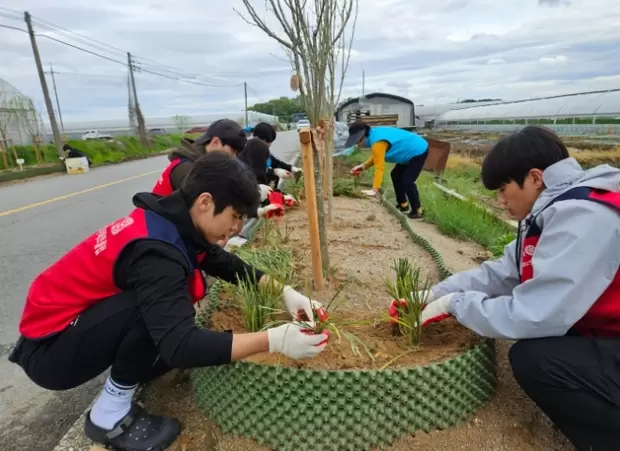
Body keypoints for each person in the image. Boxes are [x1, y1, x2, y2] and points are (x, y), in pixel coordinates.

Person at [8, 151, 327, 451]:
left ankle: (133, 374)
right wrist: (275, 340)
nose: (237, 228)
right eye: (235, 216)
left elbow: (220, 261)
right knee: (154, 311)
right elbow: (182, 346)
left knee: (165, 308)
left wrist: (284, 292)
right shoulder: (156, 253)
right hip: (51, 353)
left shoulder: (172, 219)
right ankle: (108, 416)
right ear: (205, 202)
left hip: (68, 331)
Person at [409, 125, 620, 451]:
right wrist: (436, 293)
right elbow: (504, 273)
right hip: (605, 330)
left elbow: (537, 314)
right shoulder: (554, 209)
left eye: (504, 188)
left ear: (535, 178)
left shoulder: (584, 215)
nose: (500, 199)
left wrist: (459, 305)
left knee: (536, 359)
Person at [345, 120, 429, 219]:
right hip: (407, 153)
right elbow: (378, 156)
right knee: (395, 175)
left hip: (417, 150)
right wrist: (363, 166)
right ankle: (403, 205)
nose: (358, 145)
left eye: (358, 141)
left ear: (364, 137)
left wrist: (374, 189)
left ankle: (417, 211)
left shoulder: (377, 142)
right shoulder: (374, 136)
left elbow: (379, 167)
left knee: (407, 181)